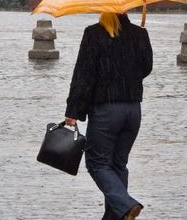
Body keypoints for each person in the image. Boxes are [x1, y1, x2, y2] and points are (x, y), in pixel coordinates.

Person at [65, 12, 153, 220]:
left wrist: (73, 111)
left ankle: (126, 205)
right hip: (133, 110)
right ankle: (116, 217)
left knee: (96, 163)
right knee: (118, 165)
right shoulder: (139, 34)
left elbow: (84, 75)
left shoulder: (93, 34)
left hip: (107, 111)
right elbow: (146, 68)